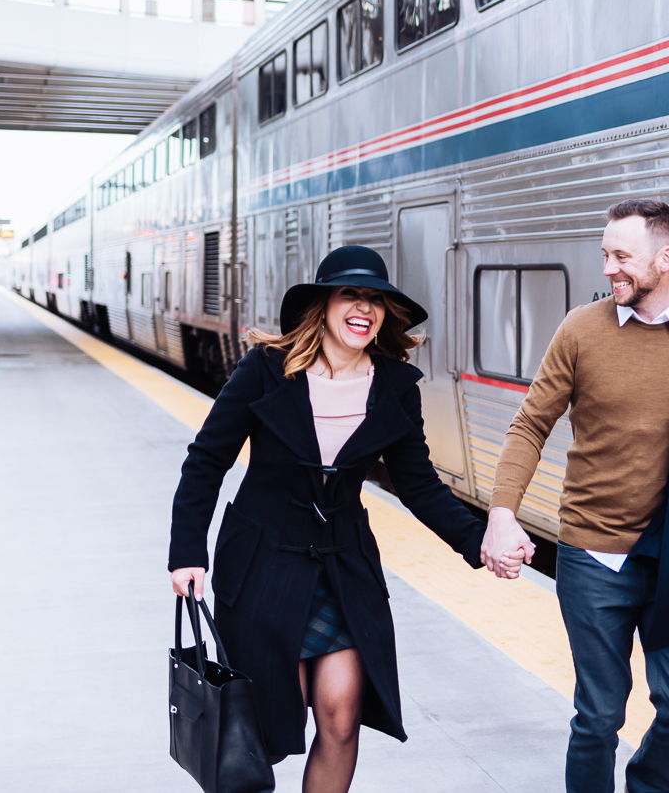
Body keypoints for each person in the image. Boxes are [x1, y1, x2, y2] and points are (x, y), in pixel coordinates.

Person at [168, 245, 514, 793]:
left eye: (375, 299)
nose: (364, 307)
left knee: (341, 717)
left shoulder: (395, 386)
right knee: (261, 728)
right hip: (261, 568)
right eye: (350, 294)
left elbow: (420, 485)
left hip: (343, 572)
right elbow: (207, 460)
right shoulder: (267, 370)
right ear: (323, 305)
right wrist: (188, 552)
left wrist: (480, 544)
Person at [482, 199, 669, 793]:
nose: (609, 268)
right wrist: (502, 514)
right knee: (600, 716)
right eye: (605, 254)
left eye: (622, 256)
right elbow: (531, 423)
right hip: (592, 555)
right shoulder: (580, 330)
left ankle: (645, 785)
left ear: (666, 258)